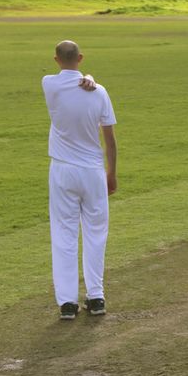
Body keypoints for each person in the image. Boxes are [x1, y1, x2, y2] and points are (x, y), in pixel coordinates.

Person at [42, 40, 118, 320]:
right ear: (81, 58)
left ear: (56, 59)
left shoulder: (49, 84)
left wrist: (86, 78)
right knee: (96, 233)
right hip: (93, 171)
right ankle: (96, 297)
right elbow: (109, 140)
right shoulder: (99, 92)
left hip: (62, 171)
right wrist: (112, 173)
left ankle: (67, 303)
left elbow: (67, 78)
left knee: (64, 233)